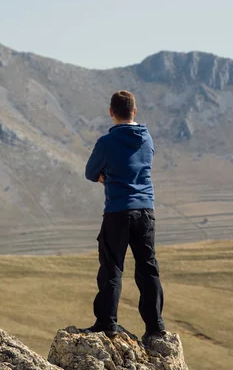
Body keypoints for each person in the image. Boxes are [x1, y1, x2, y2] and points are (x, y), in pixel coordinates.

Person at [82, 90, 165, 342]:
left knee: (112, 268)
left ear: (111, 112)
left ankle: (107, 323)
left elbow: (89, 172)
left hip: (118, 210)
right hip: (146, 211)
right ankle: (156, 326)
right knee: (148, 268)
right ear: (135, 111)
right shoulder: (147, 139)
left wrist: (103, 175)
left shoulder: (106, 143)